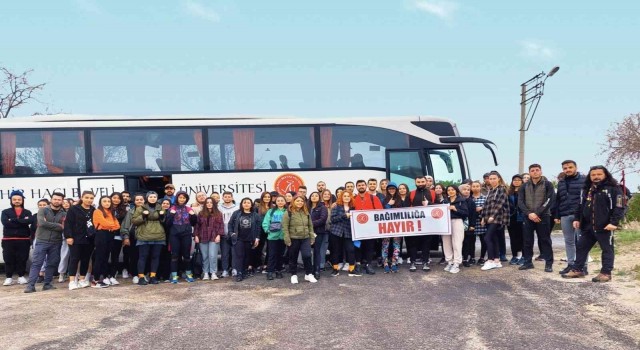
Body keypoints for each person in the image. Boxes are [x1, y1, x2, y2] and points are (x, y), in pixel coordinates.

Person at [562, 166, 625, 282]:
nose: (596, 177)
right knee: (581, 247)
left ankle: (606, 273)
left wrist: (614, 222)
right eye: (593, 175)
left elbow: (620, 206)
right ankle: (578, 270)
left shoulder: (614, 188)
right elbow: (580, 205)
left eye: (599, 174)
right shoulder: (586, 189)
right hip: (588, 226)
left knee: (607, 249)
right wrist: (577, 219)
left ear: (605, 175)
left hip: (605, 226)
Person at [24, 192, 67, 293]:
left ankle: (47, 284)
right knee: (36, 263)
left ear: (62, 201)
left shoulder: (64, 213)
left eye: (59, 199)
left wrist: (51, 224)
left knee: (51, 264)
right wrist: (59, 226)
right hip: (42, 241)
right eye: (55, 199)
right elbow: (42, 223)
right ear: (51, 199)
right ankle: (30, 286)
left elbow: (64, 227)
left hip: (56, 242)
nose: (57, 201)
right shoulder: (43, 210)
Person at [517, 164, 556, 272]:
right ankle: (528, 262)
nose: (535, 172)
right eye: (532, 170)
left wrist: (537, 213)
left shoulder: (548, 184)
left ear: (541, 171)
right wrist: (529, 213)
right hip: (528, 217)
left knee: (545, 240)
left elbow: (549, 200)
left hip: (543, 216)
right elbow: (520, 202)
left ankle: (549, 264)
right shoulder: (524, 186)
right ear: (529, 173)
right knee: (527, 241)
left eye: (537, 170)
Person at [554, 160, 587, 275]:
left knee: (582, 241)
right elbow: (558, 199)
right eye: (565, 168)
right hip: (565, 215)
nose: (567, 170)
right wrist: (557, 215)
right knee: (569, 241)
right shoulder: (561, 182)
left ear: (576, 167)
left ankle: (583, 266)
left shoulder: (584, 180)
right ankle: (571, 264)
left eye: (570, 167)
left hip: (580, 215)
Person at [131, 191, 166, 285]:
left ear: (157, 198)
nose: (153, 198)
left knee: (155, 257)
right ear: (147, 198)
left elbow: (166, 222)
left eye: (154, 196)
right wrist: (143, 216)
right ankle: (141, 277)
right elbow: (134, 221)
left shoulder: (161, 207)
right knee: (142, 257)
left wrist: (163, 217)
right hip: (144, 236)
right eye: (150, 197)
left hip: (158, 235)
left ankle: (153, 276)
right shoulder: (140, 208)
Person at [64, 191, 96, 290]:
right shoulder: (74, 209)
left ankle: (82, 279)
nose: (89, 200)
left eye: (91, 198)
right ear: (82, 197)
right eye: (87, 197)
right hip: (75, 238)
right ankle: (72, 281)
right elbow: (68, 223)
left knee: (86, 259)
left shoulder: (93, 210)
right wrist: (68, 236)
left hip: (89, 238)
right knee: (74, 258)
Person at [283, 195, 317, 284]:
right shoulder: (288, 212)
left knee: (307, 256)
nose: (300, 203)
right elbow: (285, 227)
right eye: (298, 201)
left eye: (302, 201)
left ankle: (309, 274)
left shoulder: (306, 212)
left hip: (305, 238)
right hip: (293, 238)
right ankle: (293, 275)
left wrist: (312, 237)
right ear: (293, 202)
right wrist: (287, 239)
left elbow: (310, 226)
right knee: (293, 257)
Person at [352, 180, 383, 275]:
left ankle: (369, 265)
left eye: (362, 185)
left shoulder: (374, 198)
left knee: (370, 247)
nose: (361, 186)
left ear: (366, 186)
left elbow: (380, 211)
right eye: (359, 185)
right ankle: (358, 264)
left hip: (370, 228)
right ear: (356, 187)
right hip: (357, 228)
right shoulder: (353, 198)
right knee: (358, 247)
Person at [2, 190, 33, 286]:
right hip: (8, 239)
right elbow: (5, 223)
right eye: (14, 199)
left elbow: (29, 221)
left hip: (23, 239)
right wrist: (21, 221)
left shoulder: (27, 212)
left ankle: (21, 276)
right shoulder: (5, 212)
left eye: (19, 199)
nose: (17, 201)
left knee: (22, 258)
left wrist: (14, 220)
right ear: (11, 200)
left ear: (22, 200)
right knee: (8, 258)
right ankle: (9, 277)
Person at [480, 172, 510, 271]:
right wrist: (483, 218)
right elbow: (486, 206)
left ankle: (490, 260)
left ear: (499, 179)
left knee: (487, 238)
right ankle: (497, 261)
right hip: (488, 218)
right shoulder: (491, 190)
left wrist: (493, 216)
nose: (492, 180)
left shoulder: (501, 189)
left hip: (496, 218)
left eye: (494, 178)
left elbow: (500, 204)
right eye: (490, 178)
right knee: (494, 238)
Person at [167, 191, 198, 283]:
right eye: (180, 197)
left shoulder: (188, 209)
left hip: (186, 234)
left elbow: (193, 223)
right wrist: (171, 214)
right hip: (174, 235)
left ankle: (189, 274)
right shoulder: (171, 208)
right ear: (177, 198)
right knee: (175, 256)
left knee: (187, 255)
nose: (182, 199)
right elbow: (167, 224)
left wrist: (193, 215)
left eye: (184, 198)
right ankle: (174, 276)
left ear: (186, 199)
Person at [228, 198, 261, 282]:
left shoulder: (255, 215)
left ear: (251, 204)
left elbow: (258, 227)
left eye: (248, 203)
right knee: (239, 256)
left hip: (250, 238)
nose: (246, 204)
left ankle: (244, 271)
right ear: (241, 204)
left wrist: (257, 238)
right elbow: (230, 224)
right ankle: (239, 273)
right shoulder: (236, 213)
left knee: (247, 256)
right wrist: (232, 233)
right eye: (244, 202)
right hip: (239, 238)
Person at [92, 196, 121, 288]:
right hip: (101, 234)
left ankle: (104, 277)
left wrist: (110, 226)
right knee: (99, 257)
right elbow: (104, 223)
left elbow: (118, 226)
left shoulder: (111, 212)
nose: (107, 203)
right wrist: (111, 226)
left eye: (109, 201)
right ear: (101, 202)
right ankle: (95, 280)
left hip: (110, 235)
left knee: (106, 257)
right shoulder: (97, 211)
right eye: (104, 201)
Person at [407, 176, 434, 272]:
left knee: (426, 243)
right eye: (418, 182)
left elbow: (439, 206)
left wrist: (429, 204)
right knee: (413, 243)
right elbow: (405, 208)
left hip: (428, 223)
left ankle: (426, 261)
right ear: (415, 182)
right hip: (414, 223)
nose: (420, 184)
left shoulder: (432, 193)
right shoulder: (411, 193)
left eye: (422, 181)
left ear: (426, 182)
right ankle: (413, 261)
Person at [330, 190, 358, 276]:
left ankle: (351, 269)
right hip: (336, 232)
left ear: (351, 197)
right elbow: (333, 219)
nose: (346, 197)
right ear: (341, 197)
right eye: (344, 196)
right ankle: (335, 269)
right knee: (336, 251)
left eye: (348, 196)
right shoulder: (336, 206)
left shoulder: (354, 207)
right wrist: (344, 216)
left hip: (348, 232)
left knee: (351, 250)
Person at [194, 197, 224, 280]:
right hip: (202, 236)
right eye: (207, 202)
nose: (209, 204)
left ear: (214, 204)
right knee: (205, 256)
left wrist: (219, 235)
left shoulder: (218, 213)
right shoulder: (201, 213)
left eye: (211, 202)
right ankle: (206, 273)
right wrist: (196, 235)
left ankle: (213, 272)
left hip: (214, 236)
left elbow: (221, 225)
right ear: (205, 204)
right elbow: (197, 225)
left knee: (213, 255)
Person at [442, 185, 469, 274]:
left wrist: (455, 209)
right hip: (446, 222)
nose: (450, 191)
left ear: (456, 191)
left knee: (457, 242)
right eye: (448, 190)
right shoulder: (444, 201)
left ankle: (456, 263)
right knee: (446, 242)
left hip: (457, 221)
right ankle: (449, 262)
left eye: (452, 190)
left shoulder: (462, 200)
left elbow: (465, 213)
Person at [381, 182, 402, 273]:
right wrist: (388, 204)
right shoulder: (384, 200)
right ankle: (385, 263)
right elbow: (380, 212)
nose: (391, 190)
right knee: (385, 246)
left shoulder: (400, 200)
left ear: (396, 190)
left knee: (396, 246)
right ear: (387, 190)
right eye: (390, 189)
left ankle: (394, 263)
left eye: (393, 188)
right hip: (386, 227)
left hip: (397, 227)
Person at [309, 191, 328, 280]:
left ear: (319, 198)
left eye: (316, 196)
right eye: (312, 196)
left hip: (318, 232)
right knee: (307, 251)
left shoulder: (323, 207)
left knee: (317, 251)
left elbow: (323, 219)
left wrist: (310, 224)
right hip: (306, 232)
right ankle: (309, 269)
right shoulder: (306, 207)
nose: (314, 197)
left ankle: (316, 270)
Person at [108, 192, 127, 282]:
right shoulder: (105, 208)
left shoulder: (123, 210)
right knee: (105, 255)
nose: (116, 200)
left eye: (118, 198)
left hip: (118, 236)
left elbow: (124, 224)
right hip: (106, 235)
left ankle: (112, 275)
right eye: (114, 197)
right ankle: (104, 275)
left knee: (115, 256)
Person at [252, 192, 272, 274]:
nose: (267, 198)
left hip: (271, 230)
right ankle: (258, 265)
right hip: (260, 230)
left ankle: (266, 265)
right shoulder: (257, 208)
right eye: (265, 197)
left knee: (270, 249)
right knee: (258, 248)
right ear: (262, 198)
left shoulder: (273, 207)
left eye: (268, 197)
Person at [219, 191, 238, 278]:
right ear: (222, 198)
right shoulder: (219, 208)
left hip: (234, 234)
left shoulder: (237, 208)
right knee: (225, 253)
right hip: (223, 234)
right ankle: (225, 270)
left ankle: (234, 269)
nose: (227, 198)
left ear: (232, 197)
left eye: (229, 196)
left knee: (234, 253)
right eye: (225, 196)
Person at [507, 175, 525, 265]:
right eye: (515, 180)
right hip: (511, 218)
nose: (517, 181)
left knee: (522, 237)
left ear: (522, 181)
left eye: (519, 180)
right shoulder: (509, 192)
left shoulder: (525, 191)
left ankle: (523, 256)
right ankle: (515, 256)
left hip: (522, 217)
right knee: (513, 238)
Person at [469, 181, 487, 265]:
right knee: (471, 242)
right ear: (471, 188)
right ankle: (472, 257)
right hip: (472, 223)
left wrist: (482, 208)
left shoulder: (485, 198)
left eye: (477, 186)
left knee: (484, 241)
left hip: (482, 222)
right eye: (473, 186)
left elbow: (488, 209)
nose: (475, 188)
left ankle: (482, 257)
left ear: (480, 187)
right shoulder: (469, 198)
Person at [460, 184, 478, 268]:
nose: (466, 191)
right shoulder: (458, 200)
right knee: (460, 243)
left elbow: (474, 214)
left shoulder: (471, 202)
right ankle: (459, 258)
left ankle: (466, 259)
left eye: (468, 189)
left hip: (469, 226)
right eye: (464, 189)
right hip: (459, 225)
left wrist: (472, 225)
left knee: (468, 242)